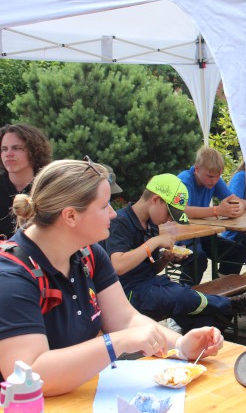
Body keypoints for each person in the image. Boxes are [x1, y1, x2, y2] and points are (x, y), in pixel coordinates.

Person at [0, 160, 224, 394]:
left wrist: (179, 345)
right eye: (104, 205)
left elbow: (125, 319)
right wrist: (116, 342)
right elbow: (29, 375)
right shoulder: (11, 276)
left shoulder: (88, 253)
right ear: (70, 216)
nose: (113, 214)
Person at [104, 173, 246, 334]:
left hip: (151, 285)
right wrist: (155, 242)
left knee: (192, 310)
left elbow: (151, 269)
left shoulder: (152, 225)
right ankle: (227, 305)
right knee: (181, 296)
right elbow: (118, 266)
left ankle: (207, 334)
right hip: (128, 293)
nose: (168, 220)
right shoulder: (121, 222)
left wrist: (166, 260)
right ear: (155, 199)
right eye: (169, 213)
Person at [177, 146, 246, 281]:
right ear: (197, 169)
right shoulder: (184, 180)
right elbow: (182, 211)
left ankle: (223, 290)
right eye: (210, 176)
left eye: (218, 177)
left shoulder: (214, 179)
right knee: (198, 259)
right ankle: (186, 296)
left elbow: (236, 201)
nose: (214, 180)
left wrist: (237, 208)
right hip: (181, 235)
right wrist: (217, 211)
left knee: (238, 252)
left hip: (202, 234)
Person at [0, 124, 52, 239]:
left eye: (16, 148)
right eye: (4, 149)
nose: (8, 154)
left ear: (34, 151)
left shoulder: (50, 188)